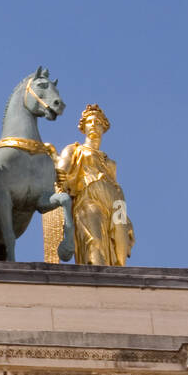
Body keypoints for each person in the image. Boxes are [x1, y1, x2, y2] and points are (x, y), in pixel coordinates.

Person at [54, 104, 133, 265]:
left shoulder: (110, 163)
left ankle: (121, 277)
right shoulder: (75, 150)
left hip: (117, 201)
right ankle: (98, 280)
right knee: (94, 239)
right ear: (83, 127)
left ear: (104, 127)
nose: (93, 125)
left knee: (121, 237)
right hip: (89, 198)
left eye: (97, 122)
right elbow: (60, 173)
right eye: (89, 121)